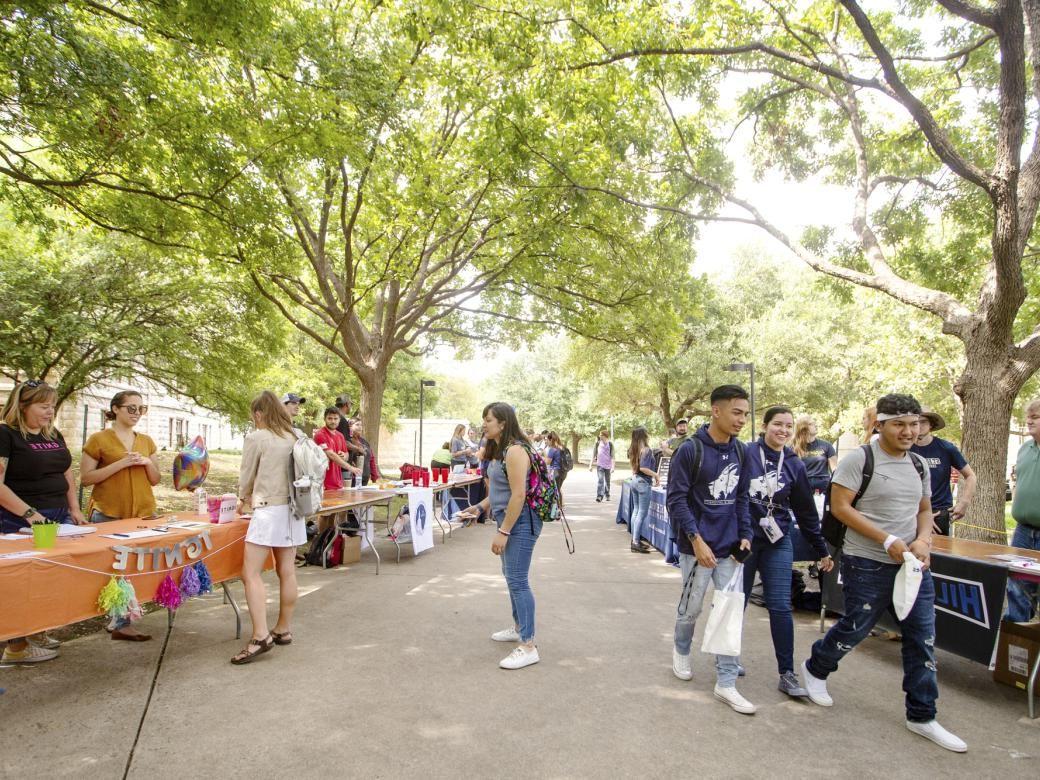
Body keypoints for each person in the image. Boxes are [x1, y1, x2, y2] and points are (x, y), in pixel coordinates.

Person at [801, 393, 966, 752]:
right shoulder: (859, 460)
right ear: (881, 425)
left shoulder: (920, 465)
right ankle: (816, 668)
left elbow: (925, 510)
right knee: (856, 627)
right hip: (867, 562)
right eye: (900, 424)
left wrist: (923, 540)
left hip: (911, 565)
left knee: (922, 637)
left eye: (915, 424)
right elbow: (841, 508)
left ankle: (922, 715)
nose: (910, 431)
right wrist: (886, 538)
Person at [665, 384, 755, 714]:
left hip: (730, 547)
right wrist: (696, 540)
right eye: (736, 412)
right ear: (716, 411)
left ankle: (726, 681)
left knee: (729, 611)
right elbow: (675, 499)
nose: (742, 419)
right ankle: (681, 649)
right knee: (692, 609)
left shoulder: (743, 451)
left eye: (746, 414)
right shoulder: (690, 450)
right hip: (696, 547)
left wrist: (745, 534)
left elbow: (743, 497)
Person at [743, 406, 833, 697]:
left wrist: (821, 550)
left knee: (780, 605)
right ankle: (727, 658)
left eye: (788, 426)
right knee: (736, 602)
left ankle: (787, 673)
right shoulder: (746, 454)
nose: (783, 430)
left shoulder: (794, 464)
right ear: (765, 426)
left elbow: (806, 512)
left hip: (778, 539)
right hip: (744, 540)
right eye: (777, 424)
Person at [0, 380, 86, 664]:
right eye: (43, 405)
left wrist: (74, 507)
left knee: (49, 578)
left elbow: (66, 473)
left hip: (58, 515)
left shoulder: (54, 434)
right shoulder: (6, 434)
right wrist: (32, 516)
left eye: (52, 405)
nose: (50, 411)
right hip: (19, 520)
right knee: (23, 581)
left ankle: (36, 631)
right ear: (22, 406)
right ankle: (16, 646)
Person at [457, 402, 543, 670]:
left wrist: (504, 531)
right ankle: (519, 628)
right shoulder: (500, 450)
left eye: (489, 420)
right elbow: (500, 491)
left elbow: (518, 495)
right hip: (509, 519)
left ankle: (528, 645)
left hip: (520, 521)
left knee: (518, 580)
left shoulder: (516, 450)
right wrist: (480, 507)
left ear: (503, 423)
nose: (484, 424)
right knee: (511, 577)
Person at [80, 390, 162, 641]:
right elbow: (85, 479)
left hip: (143, 515)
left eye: (141, 408)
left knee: (136, 566)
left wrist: (147, 463)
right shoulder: (99, 439)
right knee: (111, 569)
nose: (137, 413)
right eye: (131, 408)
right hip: (109, 514)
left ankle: (122, 621)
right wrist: (121, 464)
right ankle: (119, 622)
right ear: (116, 409)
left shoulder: (146, 441)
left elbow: (156, 479)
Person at [233, 391, 305, 664]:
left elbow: (246, 475)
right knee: (286, 570)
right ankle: (283, 628)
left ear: (259, 414)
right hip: (294, 510)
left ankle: (260, 635)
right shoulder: (295, 436)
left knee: (250, 573)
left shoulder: (257, 437)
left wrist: (242, 500)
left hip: (268, 510)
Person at [910, 409, 976, 536]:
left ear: (931, 425)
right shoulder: (905, 449)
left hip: (939, 512)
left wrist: (964, 502)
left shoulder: (946, 448)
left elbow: (971, 476)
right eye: (914, 422)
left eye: (923, 422)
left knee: (939, 553)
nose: (918, 425)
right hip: (911, 512)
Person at [1006, 398, 1040, 622]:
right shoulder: (1025, 449)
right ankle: (1017, 637)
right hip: (1023, 531)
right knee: (1017, 584)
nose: (1028, 421)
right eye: (1028, 416)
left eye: (1035, 417)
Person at [627, 427, 658, 554]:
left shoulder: (633, 449)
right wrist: (656, 475)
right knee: (641, 513)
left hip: (634, 480)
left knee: (636, 511)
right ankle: (635, 542)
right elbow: (644, 468)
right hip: (643, 482)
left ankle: (635, 539)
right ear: (644, 435)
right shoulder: (646, 450)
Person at [313, 407, 360, 491]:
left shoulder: (340, 435)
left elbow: (346, 455)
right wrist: (351, 468)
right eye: (330, 418)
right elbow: (331, 455)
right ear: (325, 419)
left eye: (335, 418)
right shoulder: (320, 435)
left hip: (338, 483)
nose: (333, 421)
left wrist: (344, 455)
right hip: (324, 485)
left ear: (339, 419)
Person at [792, 416, 837, 495]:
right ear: (803, 428)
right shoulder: (792, 448)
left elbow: (835, 471)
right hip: (801, 488)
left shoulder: (827, 446)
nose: (816, 425)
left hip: (823, 489)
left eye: (815, 423)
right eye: (811, 424)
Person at [348, 419, 380, 486]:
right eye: (357, 424)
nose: (360, 427)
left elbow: (371, 458)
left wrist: (374, 475)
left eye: (361, 425)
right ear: (350, 426)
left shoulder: (364, 442)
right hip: (352, 478)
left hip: (365, 477)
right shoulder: (348, 442)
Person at [590, 430, 615, 502]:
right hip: (600, 465)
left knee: (607, 481)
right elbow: (593, 455)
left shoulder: (610, 444)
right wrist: (590, 465)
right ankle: (599, 496)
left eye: (601, 435)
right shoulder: (597, 444)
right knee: (600, 480)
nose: (600, 436)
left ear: (605, 436)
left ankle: (607, 495)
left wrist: (613, 467)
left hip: (608, 466)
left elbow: (613, 457)